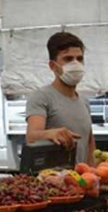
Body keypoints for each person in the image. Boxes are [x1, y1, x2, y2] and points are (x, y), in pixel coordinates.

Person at [26, 32, 94, 165]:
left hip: (81, 181)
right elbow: (31, 136)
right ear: (53, 66)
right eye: (68, 59)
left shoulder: (84, 101)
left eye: (79, 59)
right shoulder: (41, 97)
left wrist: (94, 172)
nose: (75, 64)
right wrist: (51, 134)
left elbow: (89, 142)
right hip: (55, 182)